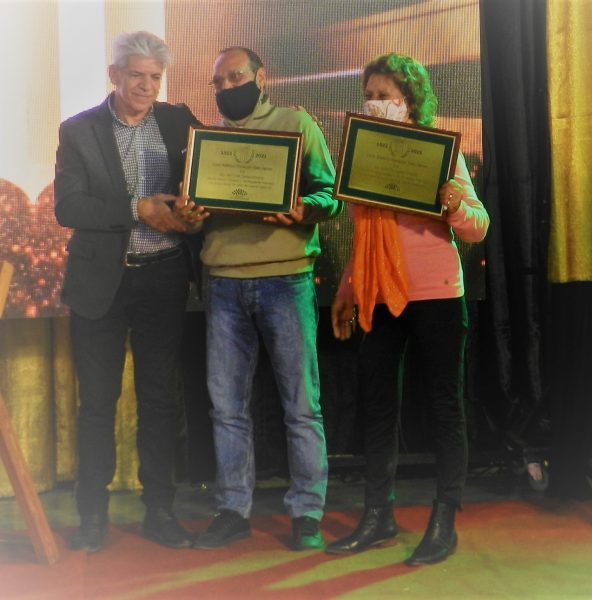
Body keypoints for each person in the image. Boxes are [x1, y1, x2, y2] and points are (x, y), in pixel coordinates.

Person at [325, 53, 489, 566]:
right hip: (377, 294)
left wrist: (455, 205)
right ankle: (378, 515)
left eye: (385, 96)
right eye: (369, 95)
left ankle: (444, 518)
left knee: (444, 406)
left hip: (437, 293)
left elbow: (478, 225)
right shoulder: (362, 153)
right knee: (377, 406)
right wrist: (347, 288)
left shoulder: (439, 151)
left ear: (409, 101)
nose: (375, 103)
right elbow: (361, 233)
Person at [180, 46, 341, 551]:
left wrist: (303, 208)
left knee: (302, 405)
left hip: (287, 279)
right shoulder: (206, 142)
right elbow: (193, 215)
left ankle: (307, 512)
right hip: (223, 282)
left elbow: (330, 195)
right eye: (219, 82)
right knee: (226, 407)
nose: (227, 87)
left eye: (236, 77)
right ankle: (233, 509)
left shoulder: (297, 123)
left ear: (260, 77)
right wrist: (189, 214)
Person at [54, 31, 200, 552]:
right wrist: (137, 208)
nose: (146, 86)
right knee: (97, 403)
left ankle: (160, 511)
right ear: (114, 75)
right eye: (136, 75)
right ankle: (92, 516)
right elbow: (68, 207)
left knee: (160, 400)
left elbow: (202, 186)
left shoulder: (179, 122)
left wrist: (196, 212)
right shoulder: (79, 130)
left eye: (155, 77)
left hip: (162, 278)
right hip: (101, 284)